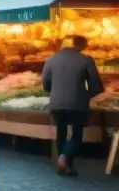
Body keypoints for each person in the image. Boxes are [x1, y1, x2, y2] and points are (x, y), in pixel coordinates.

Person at [42, 35, 104, 176]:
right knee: (76, 135)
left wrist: (53, 92)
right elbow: (97, 85)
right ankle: (64, 157)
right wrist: (86, 95)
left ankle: (65, 166)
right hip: (77, 104)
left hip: (56, 103)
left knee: (61, 132)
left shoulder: (51, 59)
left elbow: (45, 82)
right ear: (81, 46)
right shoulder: (86, 60)